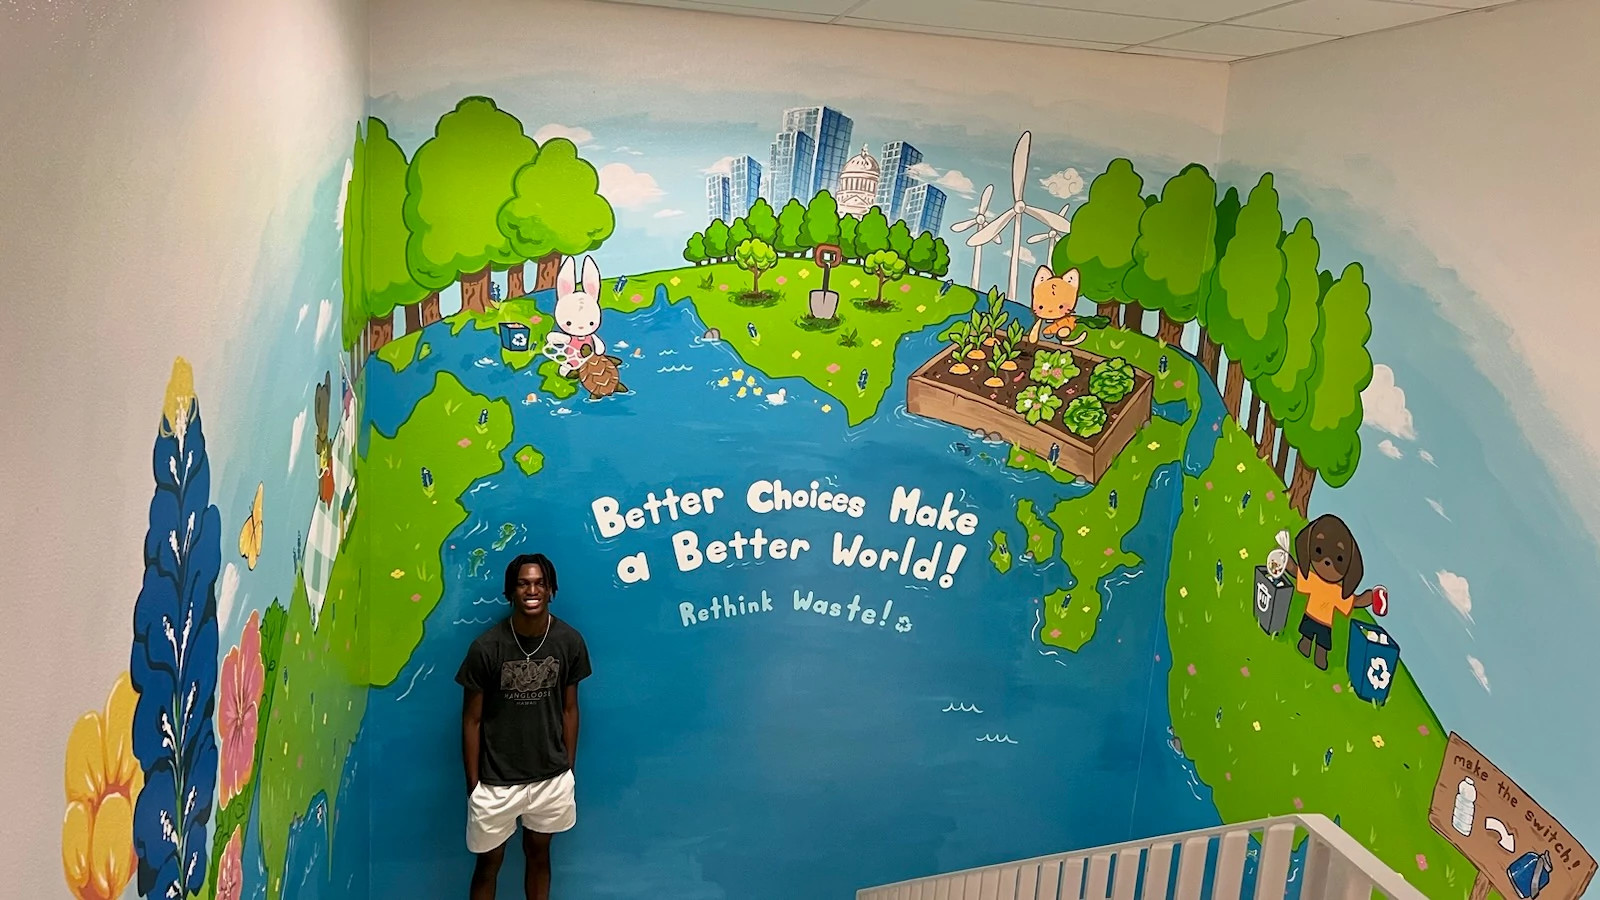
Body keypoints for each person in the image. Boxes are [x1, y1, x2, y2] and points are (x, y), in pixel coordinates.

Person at [457, 553, 592, 900]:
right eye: (523, 583)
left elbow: (570, 708)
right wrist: (474, 785)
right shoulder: (486, 648)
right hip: (496, 782)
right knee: (488, 865)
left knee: (539, 856)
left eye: (539, 583)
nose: (532, 590)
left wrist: (567, 768)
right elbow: (471, 719)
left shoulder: (569, 641)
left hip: (550, 777)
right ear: (510, 592)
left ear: (550, 590)